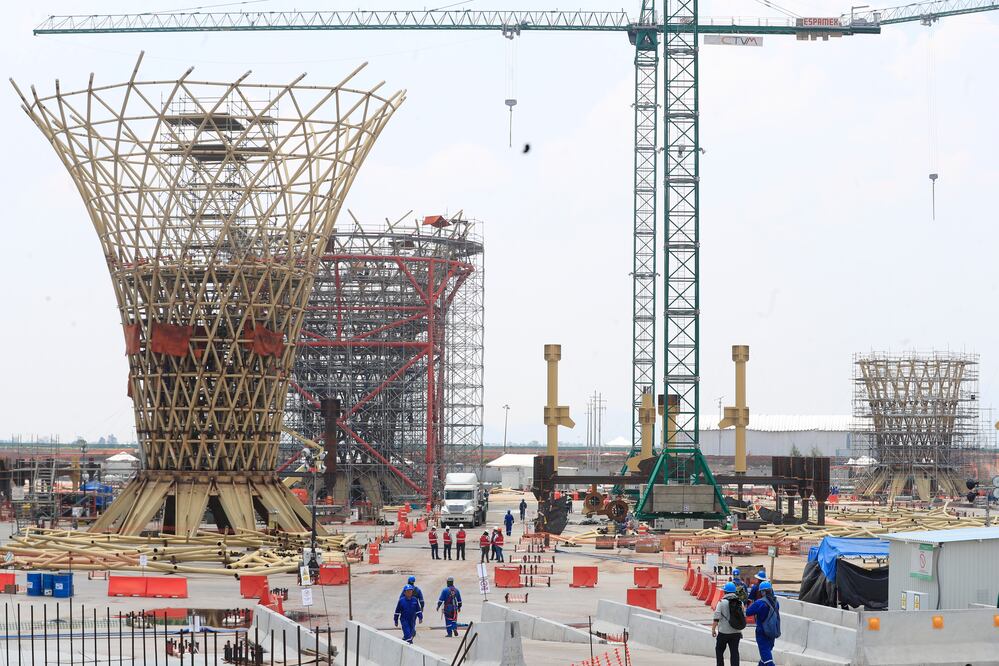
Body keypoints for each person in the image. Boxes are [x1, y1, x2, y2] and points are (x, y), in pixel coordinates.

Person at [746, 581, 780, 666]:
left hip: (762, 632)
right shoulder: (776, 602)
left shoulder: (760, 603)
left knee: (767, 659)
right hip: (772, 632)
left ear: (763, 592)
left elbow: (748, 612)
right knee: (765, 656)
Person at [711, 582, 745, 666]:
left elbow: (716, 617)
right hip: (736, 632)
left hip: (723, 633)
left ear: (725, 592)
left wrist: (713, 629)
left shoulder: (721, 602)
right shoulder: (740, 602)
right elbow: (742, 616)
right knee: (734, 652)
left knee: (719, 650)